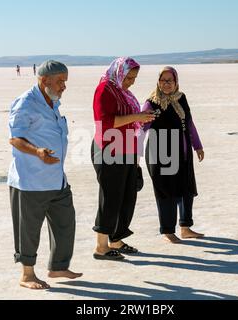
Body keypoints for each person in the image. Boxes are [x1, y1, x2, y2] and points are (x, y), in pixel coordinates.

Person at [8, 60, 82, 290]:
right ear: (44, 80)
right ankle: (27, 275)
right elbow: (15, 138)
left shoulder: (52, 102)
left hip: (56, 179)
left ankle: (58, 266)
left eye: (65, 82)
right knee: (28, 230)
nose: (64, 86)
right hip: (30, 180)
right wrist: (37, 152)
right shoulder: (26, 104)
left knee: (65, 223)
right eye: (60, 81)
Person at [91, 57, 155, 261]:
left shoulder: (122, 92)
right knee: (110, 198)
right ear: (118, 72)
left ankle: (116, 240)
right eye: (128, 77)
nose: (131, 82)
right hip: (109, 150)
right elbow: (106, 122)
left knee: (127, 198)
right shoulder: (104, 90)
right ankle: (101, 246)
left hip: (127, 149)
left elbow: (129, 125)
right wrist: (137, 117)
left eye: (134, 78)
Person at [142, 66, 205, 244]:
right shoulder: (152, 102)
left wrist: (197, 146)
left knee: (186, 190)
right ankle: (168, 231)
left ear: (176, 82)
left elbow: (189, 123)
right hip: (160, 154)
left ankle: (185, 227)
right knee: (166, 192)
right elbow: (141, 128)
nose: (167, 84)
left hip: (183, 153)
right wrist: (133, 152)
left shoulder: (181, 98)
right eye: (163, 80)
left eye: (170, 80)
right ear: (158, 82)